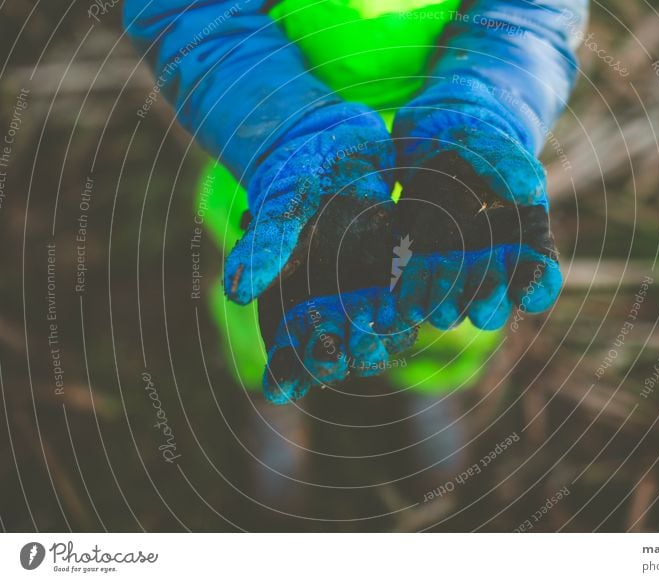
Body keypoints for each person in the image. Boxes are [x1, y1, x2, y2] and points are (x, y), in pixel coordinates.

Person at [123, 0, 588, 403]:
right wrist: (290, 129)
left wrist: (487, 109)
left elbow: (534, 14)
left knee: (459, 285)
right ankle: (263, 381)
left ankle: (435, 381)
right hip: (276, 162)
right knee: (268, 277)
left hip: (451, 147)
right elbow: (184, 12)